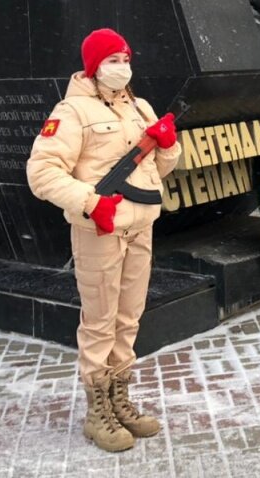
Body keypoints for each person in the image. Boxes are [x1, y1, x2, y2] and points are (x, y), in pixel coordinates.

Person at [26, 28, 182, 452]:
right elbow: (41, 172)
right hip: (99, 230)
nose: (122, 66)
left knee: (128, 319)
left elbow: (158, 170)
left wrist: (168, 147)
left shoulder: (140, 107)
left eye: (126, 58)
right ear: (94, 65)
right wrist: (90, 203)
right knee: (99, 323)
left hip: (140, 227)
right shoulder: (71, 111)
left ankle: (121, 401)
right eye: (113, 59)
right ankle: (98, 413)